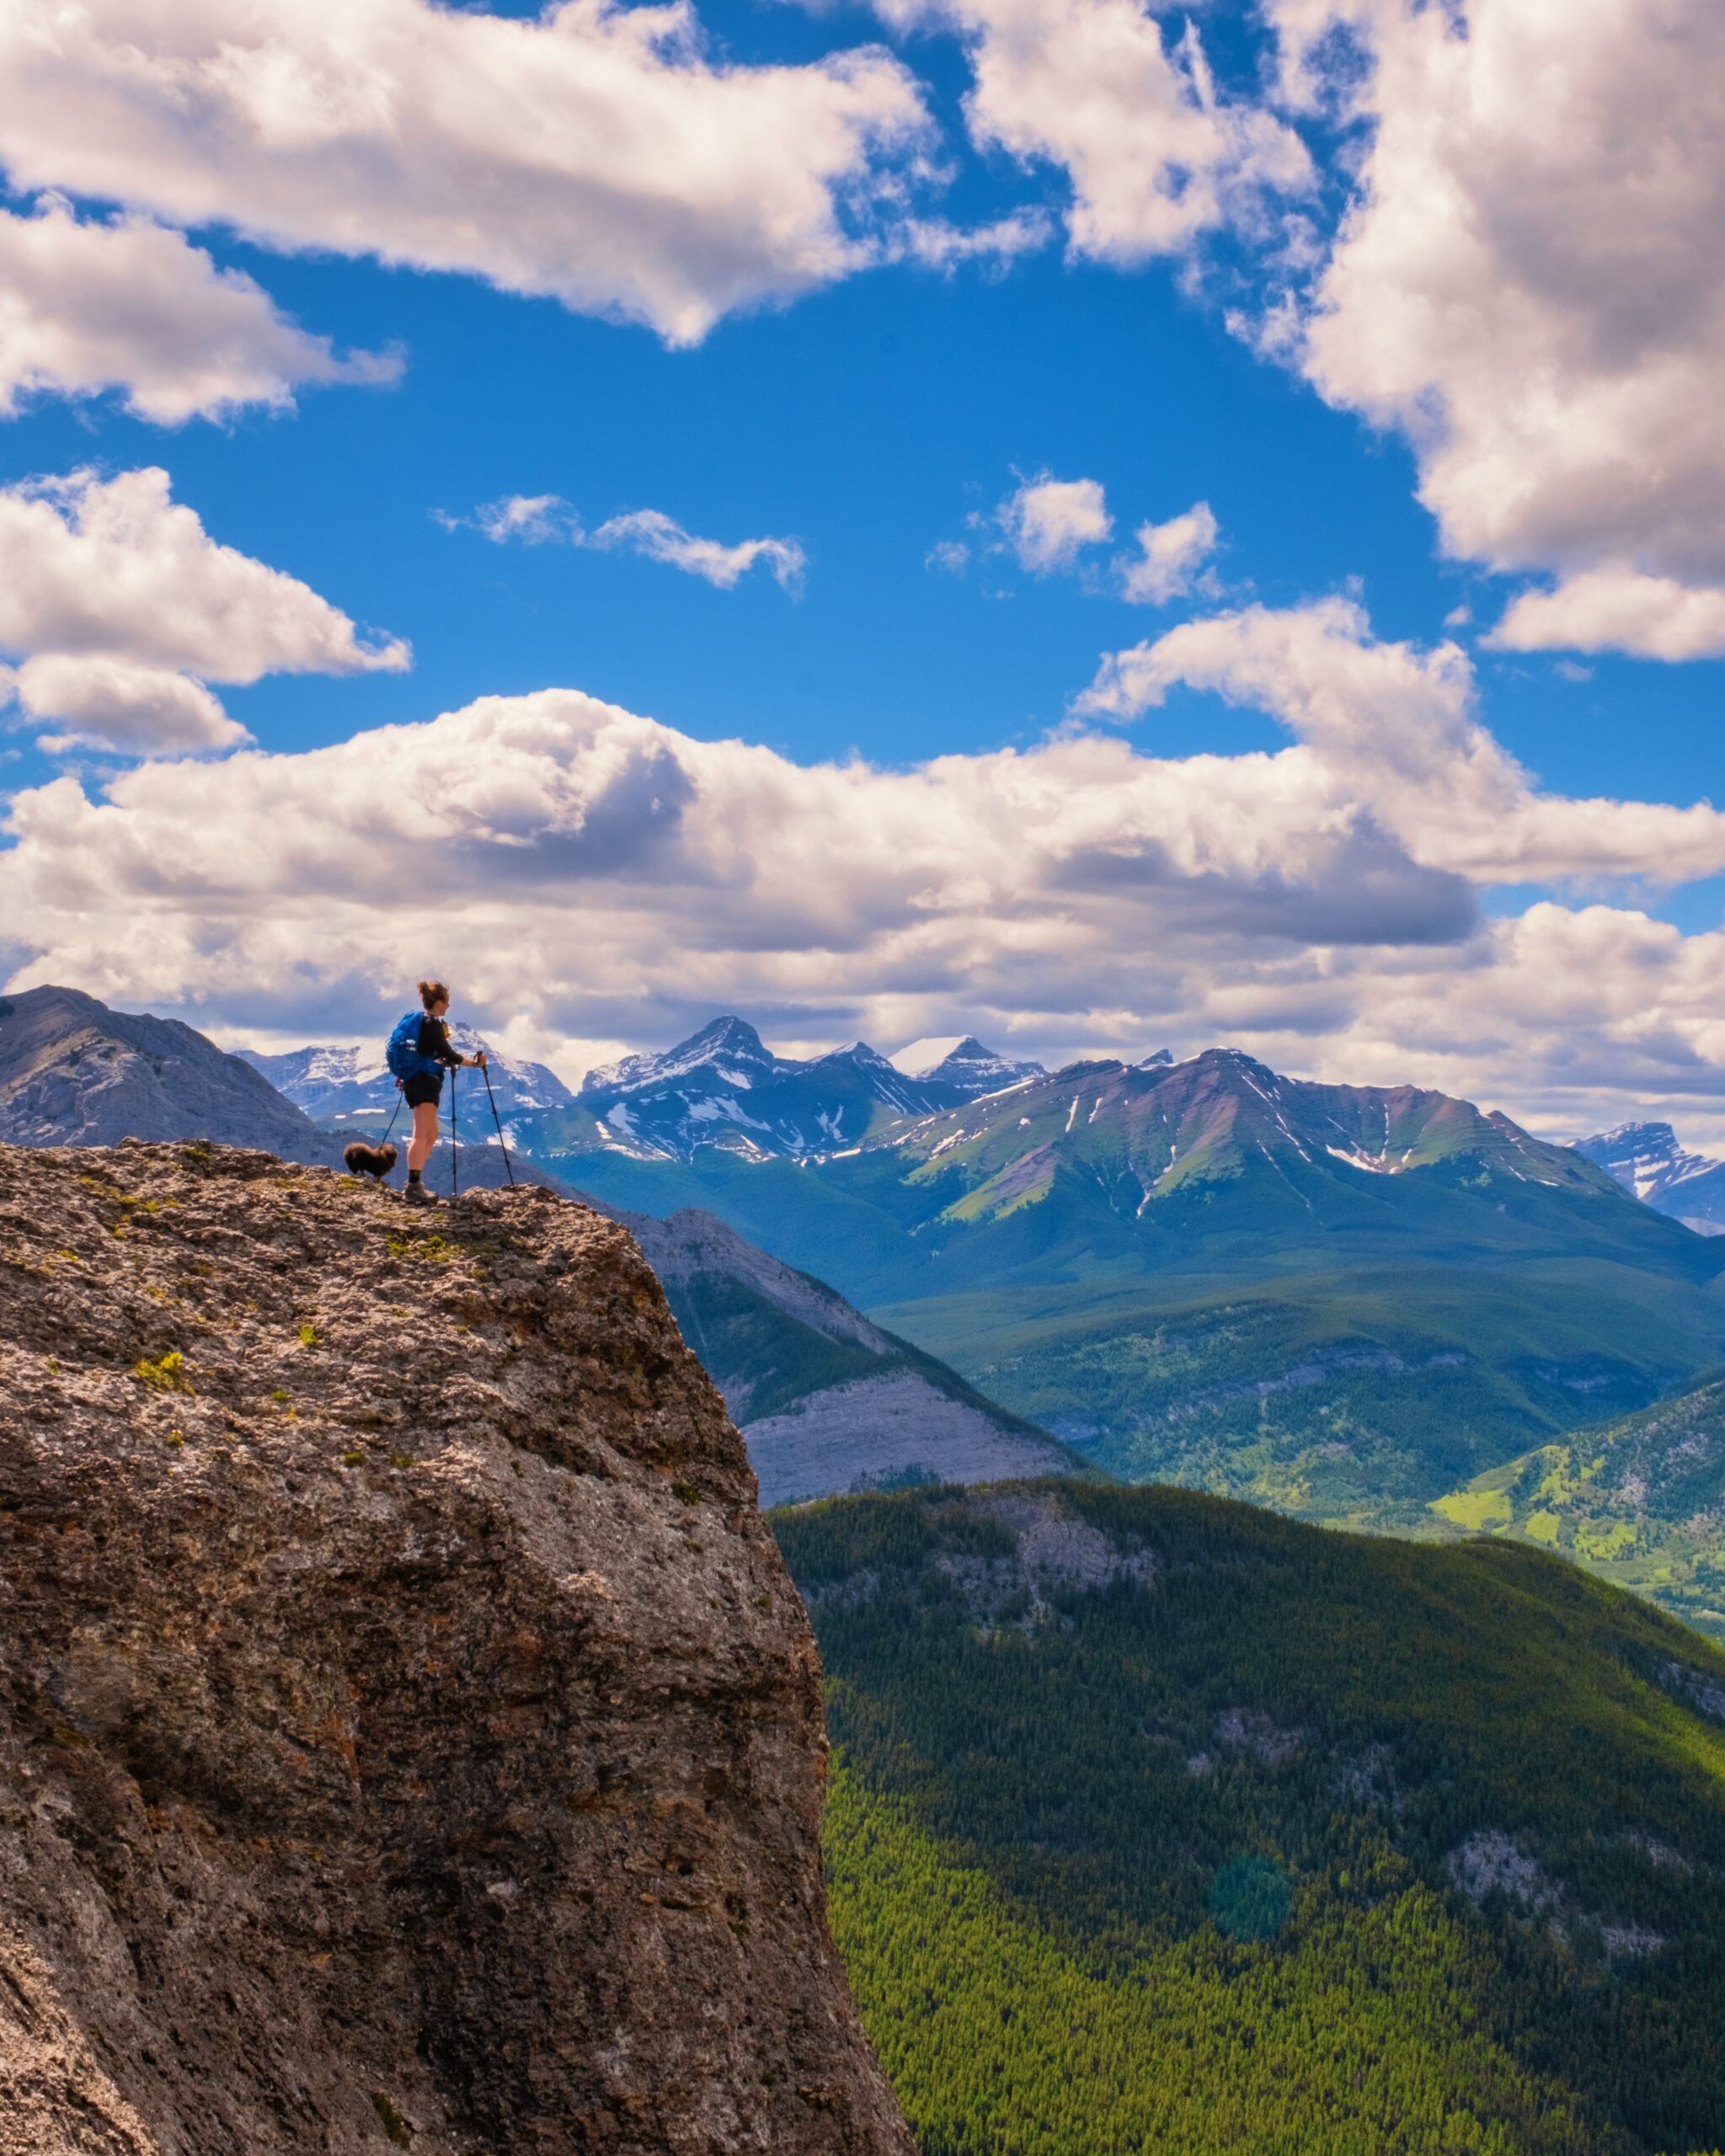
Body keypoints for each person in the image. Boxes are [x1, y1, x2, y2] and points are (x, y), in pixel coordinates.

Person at [397, 979, 487, 1204]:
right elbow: (449, 1053)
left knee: (431, 1134)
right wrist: (474, 1064)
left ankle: (415, 1183)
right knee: (421, 1134)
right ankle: (413, 1187)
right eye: (447, 1002)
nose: (448, 1006)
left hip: (419, 1080)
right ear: (438, 1002)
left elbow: (434, 1053)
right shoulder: (432, 1024)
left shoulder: (422, 1024)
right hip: (424, 1083)